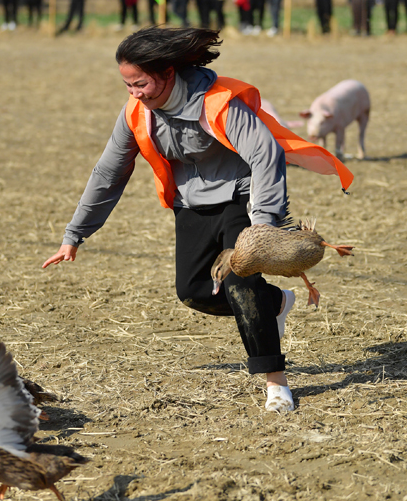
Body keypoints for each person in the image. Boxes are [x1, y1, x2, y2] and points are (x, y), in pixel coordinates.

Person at [42, 26, 353, 414]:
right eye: (128, 85)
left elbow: (265, 154)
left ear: (168, 74)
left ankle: (276, 384)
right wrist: (74, 235)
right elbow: (108, 172)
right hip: (191, 204)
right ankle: (275, 303)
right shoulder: (138, 113)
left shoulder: (218, 102)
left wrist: (263, 225)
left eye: (141, 84)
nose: (134, 94)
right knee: (192, 291)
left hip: (242, 197)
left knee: (241, 284)